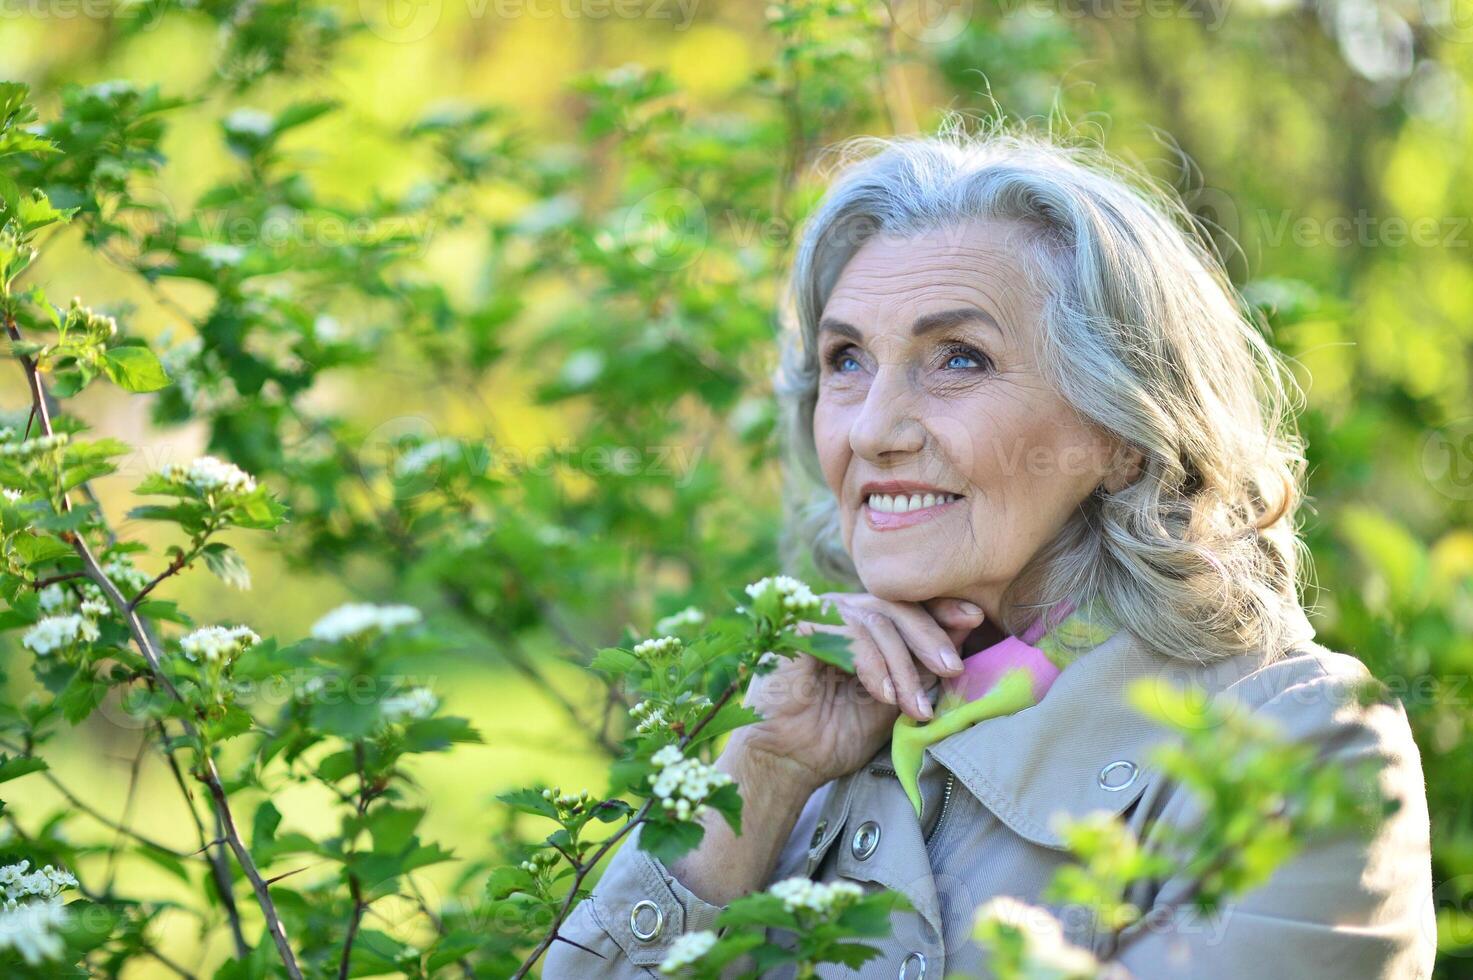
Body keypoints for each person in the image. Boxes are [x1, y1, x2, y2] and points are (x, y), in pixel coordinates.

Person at [542, 120, 1435, 979]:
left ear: (1123, 429)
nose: (872, 429)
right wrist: (763, 770)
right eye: (845, 359)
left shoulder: (1299, 742)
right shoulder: (805, 730)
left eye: (958, 358)